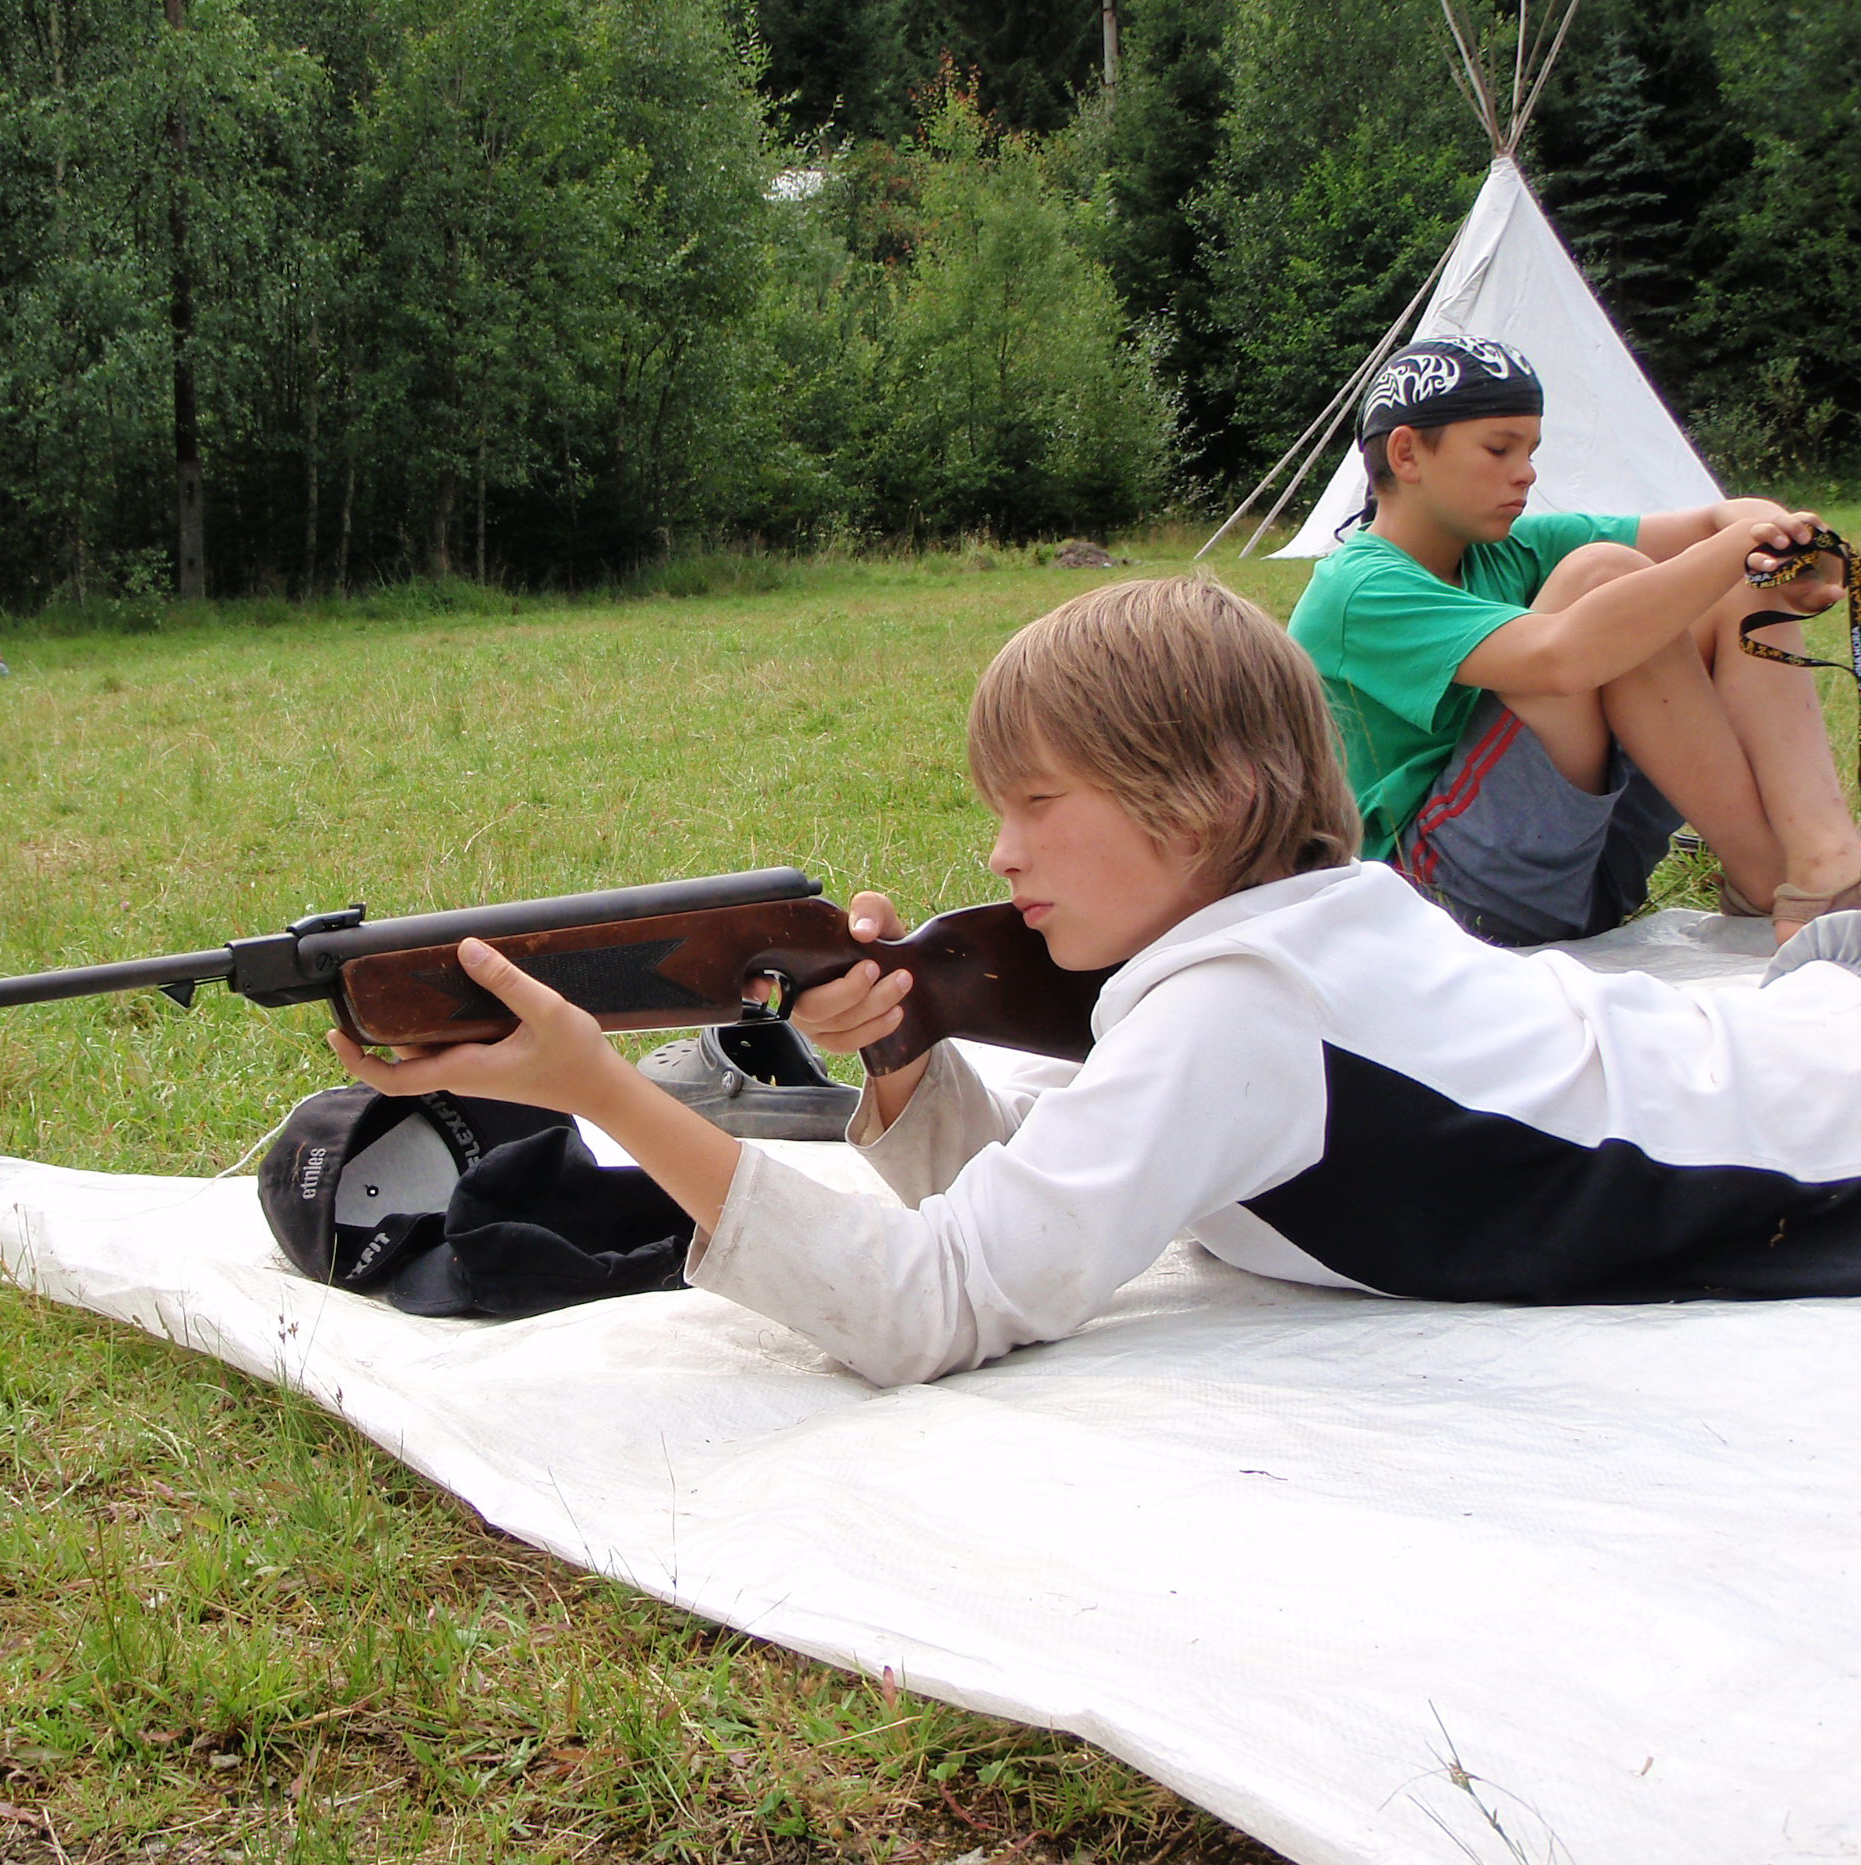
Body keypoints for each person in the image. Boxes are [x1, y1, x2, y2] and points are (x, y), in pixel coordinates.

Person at [327, 576, 1861, 1388]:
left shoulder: (1239, 1009)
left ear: (1205, 799)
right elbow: (1051, 1199)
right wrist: (906, 1053)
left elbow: (925, 1305)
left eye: (1040, 803)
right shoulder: (1301, 939)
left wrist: (599, 1089)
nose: (1001, 852)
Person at [1287, 335, 1861, 948]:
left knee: (1740, 580)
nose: (1527, 472)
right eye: (1499, 448)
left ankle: (1824, 859)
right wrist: (1738, 546)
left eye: (1531, 450)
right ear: (1406, 454)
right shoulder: (1358, 589)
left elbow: (1714, 523)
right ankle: (1771, 876)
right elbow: (1559, 659)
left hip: (1579, 870)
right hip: (1438, 901)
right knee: (1609, 577)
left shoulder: (1511, 548)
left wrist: (1789, 543)